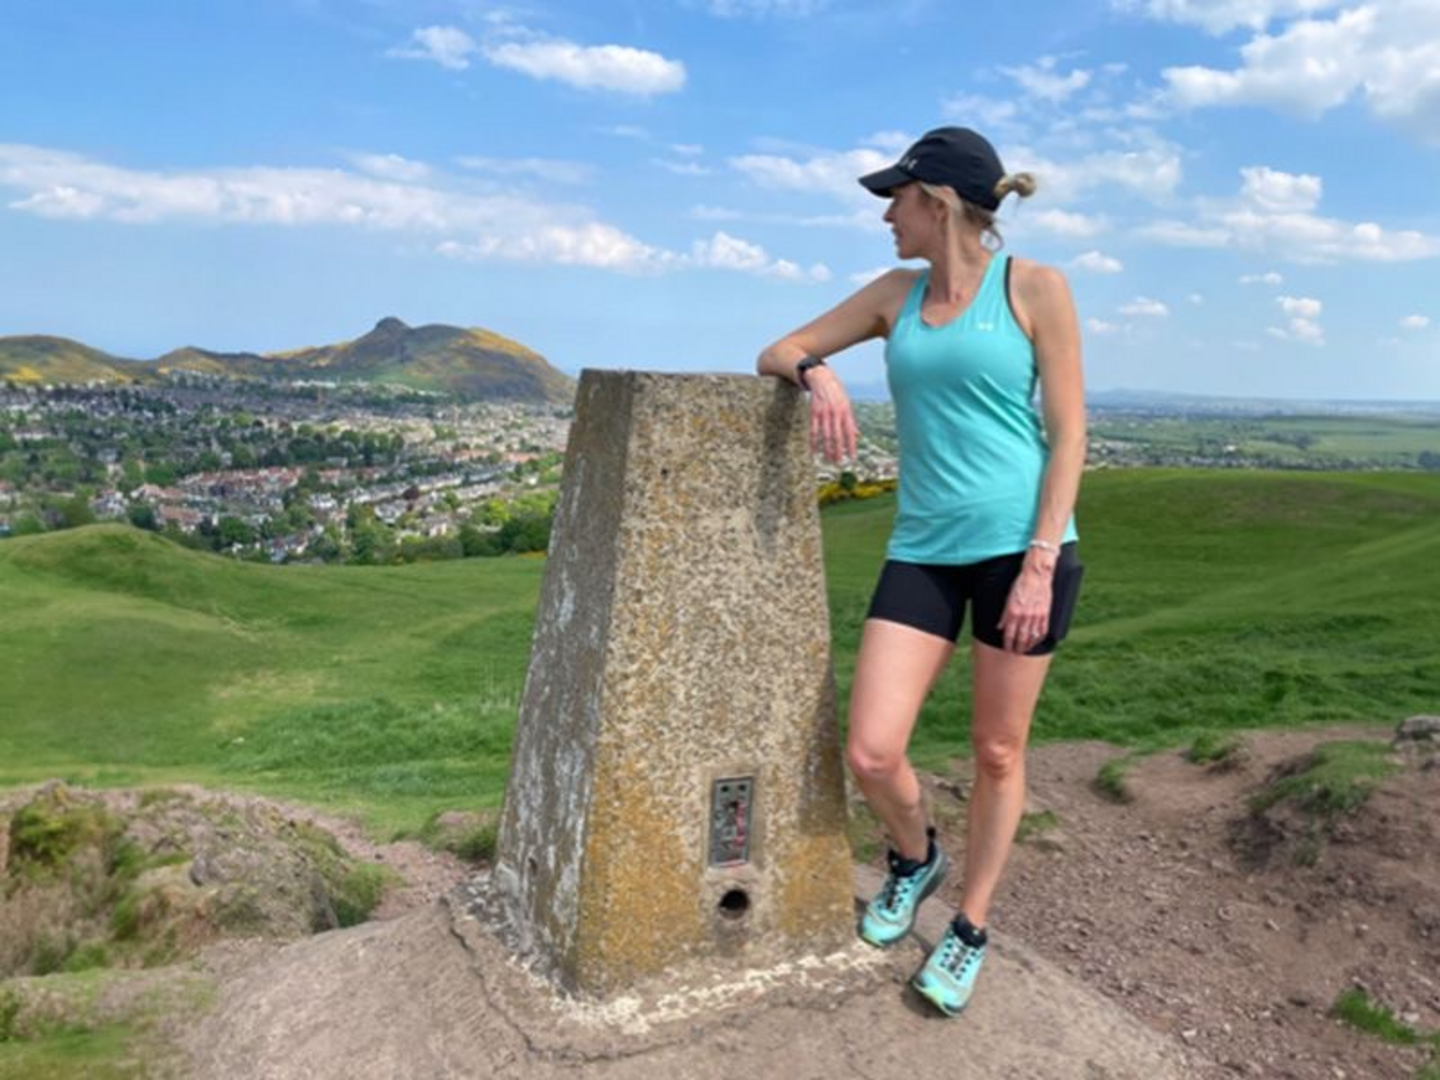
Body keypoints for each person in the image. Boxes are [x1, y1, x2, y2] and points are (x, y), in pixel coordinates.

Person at [755, 126, 1086, 1017]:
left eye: (894, 200)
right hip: (924, 549)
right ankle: (915, 857)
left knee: (997, 748)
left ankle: (970, 926)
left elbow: (1069, 436)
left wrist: (1041, 563)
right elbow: (777, 349)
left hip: (1026, 550)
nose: (886, 217)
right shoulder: (893, 296)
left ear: (937, 201)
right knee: (870, 748)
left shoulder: (1036, 289)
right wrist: (819, 376)